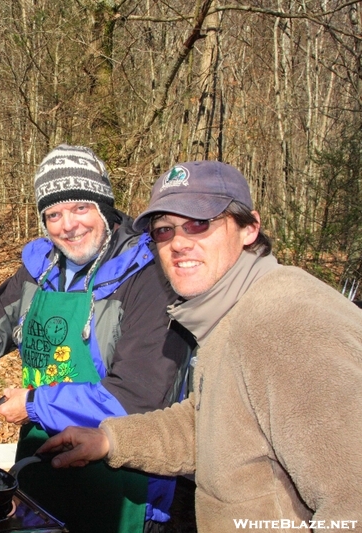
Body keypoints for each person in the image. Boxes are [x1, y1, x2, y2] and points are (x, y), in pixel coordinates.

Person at [38, 161, 362, 528]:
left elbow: (353, 501)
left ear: (249, 228)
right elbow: (213, 425)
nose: (178, 242)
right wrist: (110, 440)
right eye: (163, 230)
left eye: (199, 223)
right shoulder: (228, 313)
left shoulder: (287, 323)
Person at [0, 144, 193, 532]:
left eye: (80, 208)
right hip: (41, 465)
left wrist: (35, 403)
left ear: (104, 207)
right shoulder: (43, 267)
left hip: (123, 481)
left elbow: (135, 400)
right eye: (53, 214)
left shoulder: (149, 279)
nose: (67, 225)